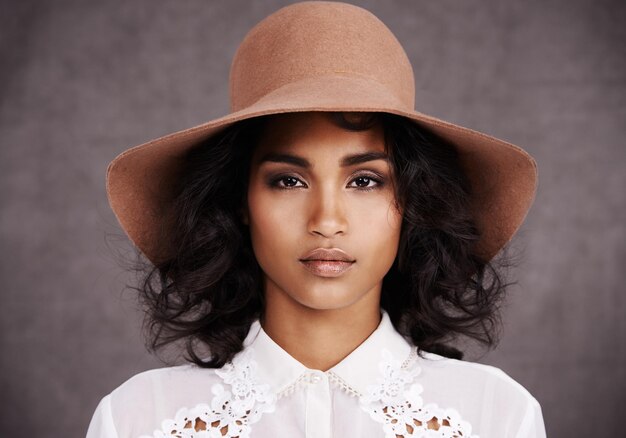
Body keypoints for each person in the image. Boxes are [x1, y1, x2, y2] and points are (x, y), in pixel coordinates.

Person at [87, 2, 546, 437]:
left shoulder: (497, 415)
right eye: (288, 180)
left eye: (365, 181)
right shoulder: (137, 418)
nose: (327, 221)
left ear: (413, 201)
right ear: (240, 200)